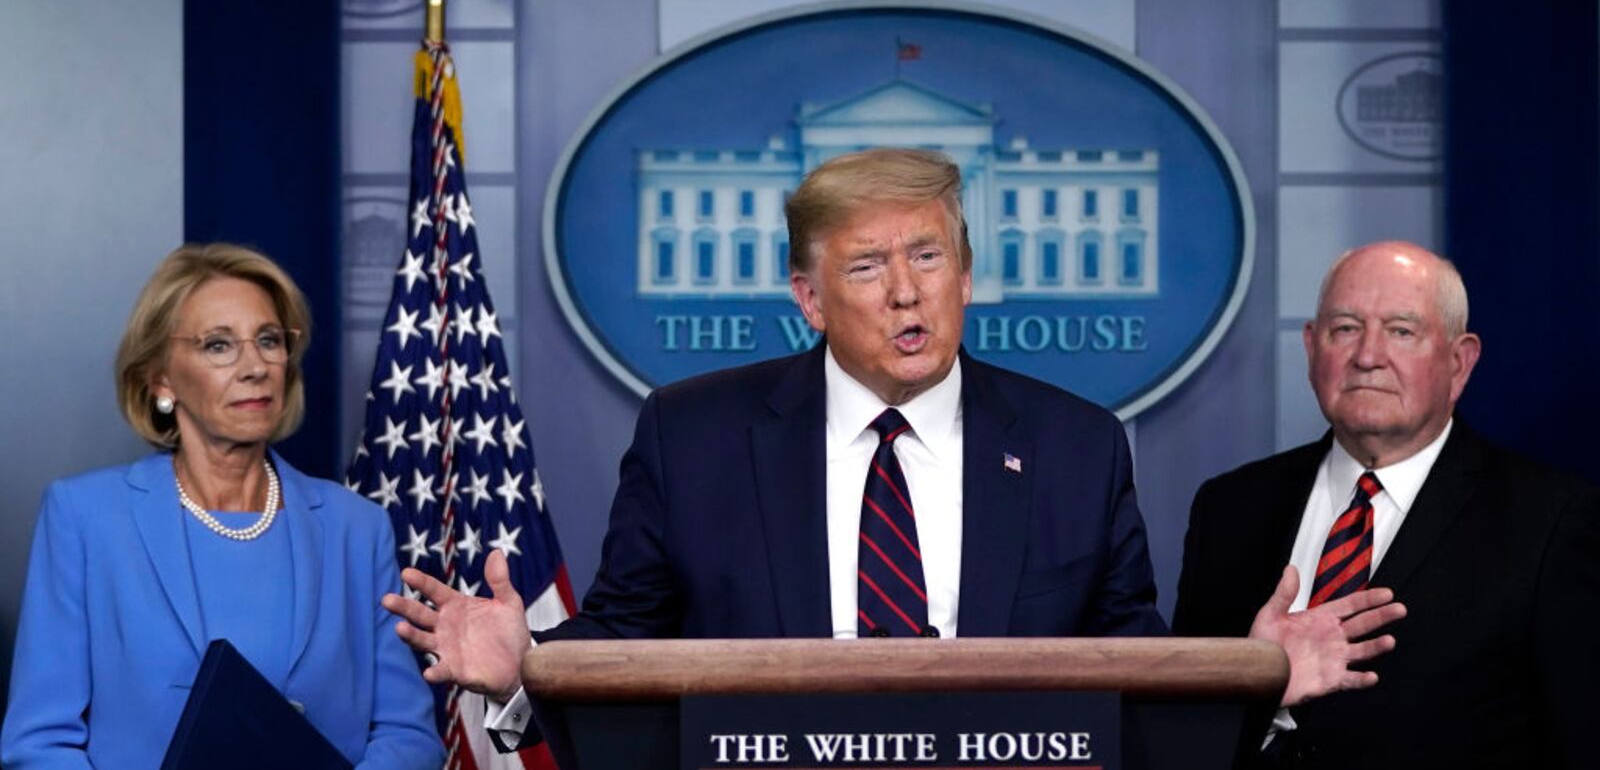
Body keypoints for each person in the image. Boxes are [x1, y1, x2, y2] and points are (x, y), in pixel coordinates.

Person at [384, 149, 1402, 747]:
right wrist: (523, 670)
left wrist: (1248, 680)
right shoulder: (694, 436)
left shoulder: (1074, 446)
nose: (908, 292)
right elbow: (627, 644)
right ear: (808, 298)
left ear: (967, 276)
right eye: (868, 267)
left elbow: (1128, 666)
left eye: (929, 256)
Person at [1, 244, 443, 768]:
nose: (255, 367)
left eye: (269, 340)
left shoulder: (356, 528)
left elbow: (408, 736)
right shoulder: (85, 518)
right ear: (160, 378)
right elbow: (40, 745)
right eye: (218, 345)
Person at [1173, 241, 1600, 769]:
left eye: (1401, 331)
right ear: (1311, 348)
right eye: (1345, 329)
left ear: (1459, 362)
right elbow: (1176, 735)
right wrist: (1260, 689)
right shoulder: (1230, 508)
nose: (1368, 356)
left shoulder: (1552, 522)